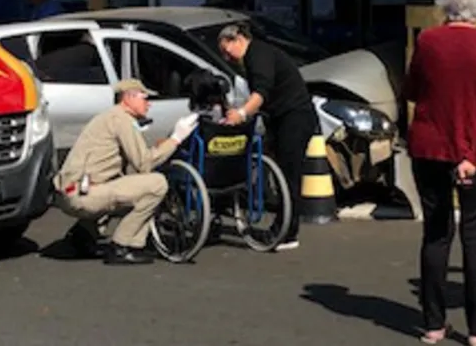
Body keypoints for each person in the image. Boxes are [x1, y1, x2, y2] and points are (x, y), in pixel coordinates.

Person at [403, 0, 476, 346]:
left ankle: (433, 324)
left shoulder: (428, 42)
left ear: (447, 4)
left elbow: (412, 90)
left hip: (431, 147)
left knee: (436, 232)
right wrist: (473, 156)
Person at [53, 79, 199, 265]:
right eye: (145, 98)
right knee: (157, 184)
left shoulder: (108, 117)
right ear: (128, 98)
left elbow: (131, 167)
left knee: (125, 185)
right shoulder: (122, 120)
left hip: (72, 191)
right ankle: (123, 245)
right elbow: (145, 164)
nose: (149, 104)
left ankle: (82, 236)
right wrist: (176, 138)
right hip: (85, 194)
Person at [217, 22, 316, 252]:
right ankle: (284, 226)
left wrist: (241, 114)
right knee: (284, 173)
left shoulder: (257, 55)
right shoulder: (257, 56)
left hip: (294, 118)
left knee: (289, 175)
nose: (226, 56)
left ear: (238, 39)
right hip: (284, 117)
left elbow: (261, 92)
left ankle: (287, 232)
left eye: (226, 49)